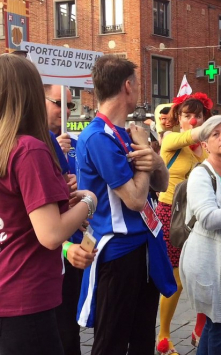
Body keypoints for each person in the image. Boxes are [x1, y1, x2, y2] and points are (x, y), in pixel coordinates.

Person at [0, 54, 96, 354]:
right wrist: (89, 202)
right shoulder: (28, 149)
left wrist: (61, 203)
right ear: (29, 93)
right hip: (25, 298)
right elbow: (51, 234)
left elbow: (16, 211)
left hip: (2, 292)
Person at [74, 55, 174, 354]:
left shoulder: (127, 132)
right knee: (111, 342)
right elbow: (134, 199)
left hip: (144, 247)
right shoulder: (98, 136)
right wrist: (145, 154)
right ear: (128, 86)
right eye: (137, 83)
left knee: (142, 338)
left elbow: (162, 184)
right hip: (116, 252)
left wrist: (154, 161)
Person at [179, 115, 221, 355]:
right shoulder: (201, 175)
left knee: (213, 324)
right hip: (211, 263)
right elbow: (208, 218)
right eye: (216, 134)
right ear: (205, 144)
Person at [155, 92, 213, 354]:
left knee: (205, 274)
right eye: (187, 114)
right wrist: (215, 128)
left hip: (198, 214)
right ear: (178, 117)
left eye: (197, 115)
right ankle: (164, 336)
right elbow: (191, 135)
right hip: (170, 213)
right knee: (176, 280)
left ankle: (200, 327)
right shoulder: (171, 138)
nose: (192, 119)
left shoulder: (205, 145)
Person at [43, 84, 95, 355]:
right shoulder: (32, 146)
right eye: (58, 103)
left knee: (68, 323)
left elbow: (80, 190)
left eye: (70, 106)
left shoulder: (76, 145)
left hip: (73, 243)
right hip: (45, 248)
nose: (65, 111)